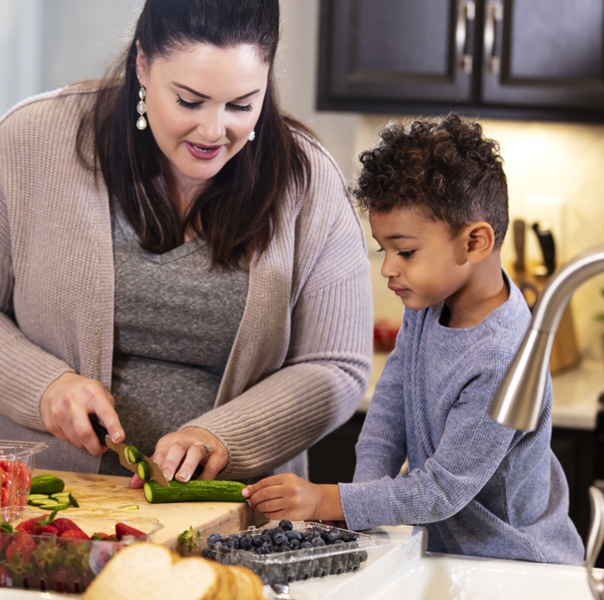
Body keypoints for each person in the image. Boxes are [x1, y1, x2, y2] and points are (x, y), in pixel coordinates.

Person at [0, 0, 371, 484]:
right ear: (143, 64)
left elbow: (336, 365)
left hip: (234, 518)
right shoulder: (32, 140)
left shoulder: (309, 180)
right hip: (49, 511)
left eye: (241, 105)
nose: (214, 131)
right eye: (189, 101)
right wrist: (46, 385)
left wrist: (224, 437)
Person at [243, 114, 585, 565]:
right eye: (384, 249)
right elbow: (390, 409)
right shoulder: (427, 306)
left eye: (404, 251)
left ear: (475, 242)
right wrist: (361, 503)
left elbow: (442, 491)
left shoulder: (503, 355)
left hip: (516, 566)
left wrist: (331, 501)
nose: (387, 267)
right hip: (450, 557)